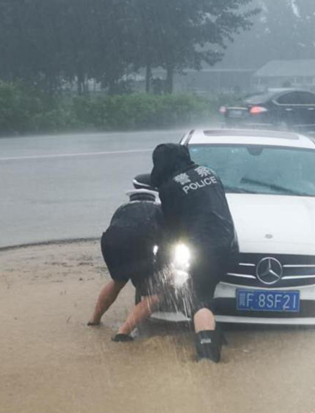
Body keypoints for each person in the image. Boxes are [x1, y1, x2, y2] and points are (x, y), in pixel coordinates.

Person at [150, 143, 238, 363]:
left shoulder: (170, 188)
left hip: (204, 249)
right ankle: (216, 336)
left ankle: (207, 354)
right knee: (207, 290)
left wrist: (163, 263)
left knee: (200, 299)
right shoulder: (210, 173)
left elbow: (172, 232)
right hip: (230, 244)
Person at [87, 191, 168, 343]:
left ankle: (94, 320)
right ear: (153, 198)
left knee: (118, 280)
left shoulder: (121, 209)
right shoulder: (159, 209)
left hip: (110, 242)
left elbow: (117, 229)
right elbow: (165, 241)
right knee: (154, 296)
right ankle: (122, 333)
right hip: (138, 242)